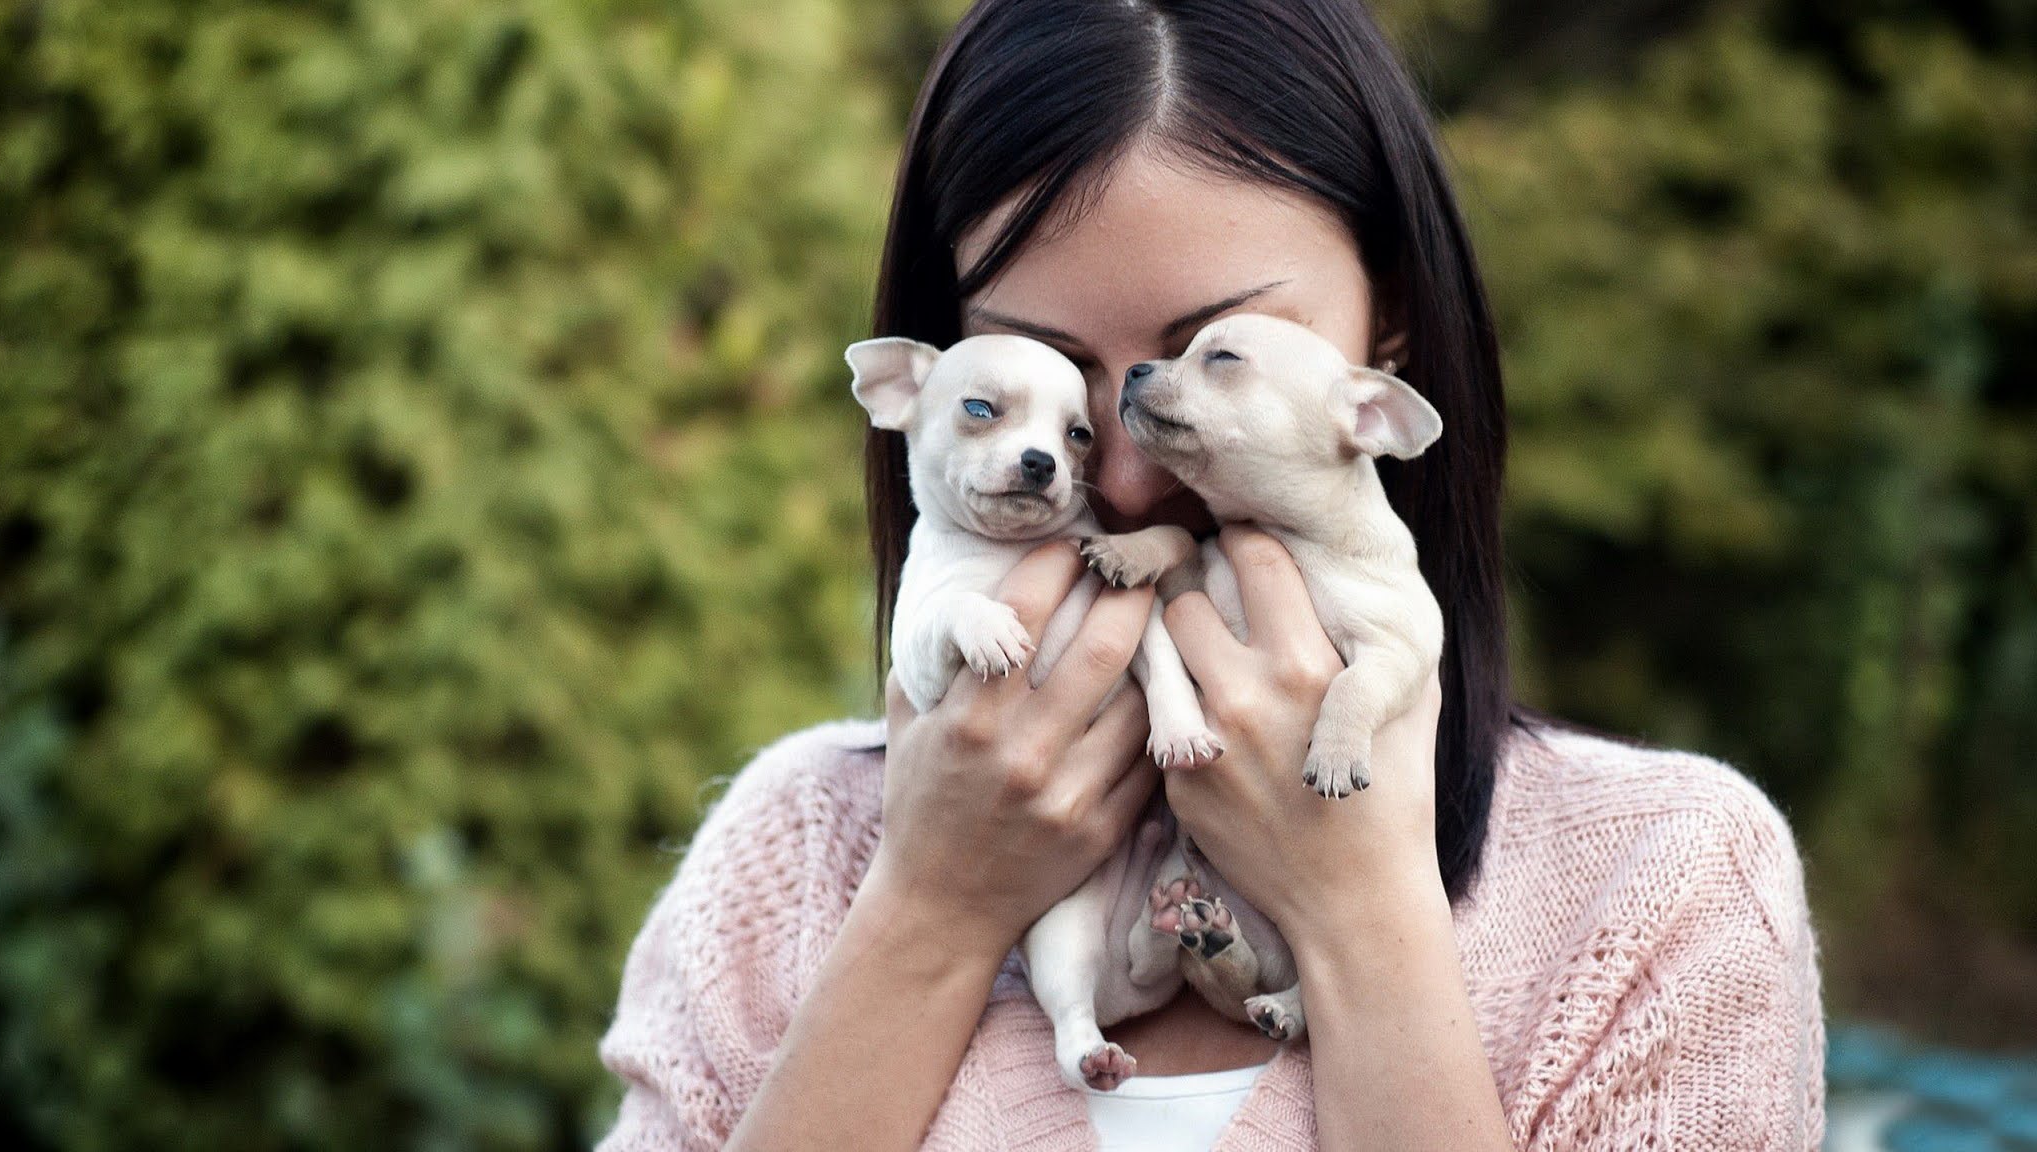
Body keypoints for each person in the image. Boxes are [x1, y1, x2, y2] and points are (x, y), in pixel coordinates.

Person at [596, 0, 1827, 1148]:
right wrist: (927, 913)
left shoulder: (1659, 886)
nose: (1115, 473)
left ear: (1382, 337)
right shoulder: (796, 848)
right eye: (1039, 365)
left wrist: (1361, 915)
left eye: (1209, 351)